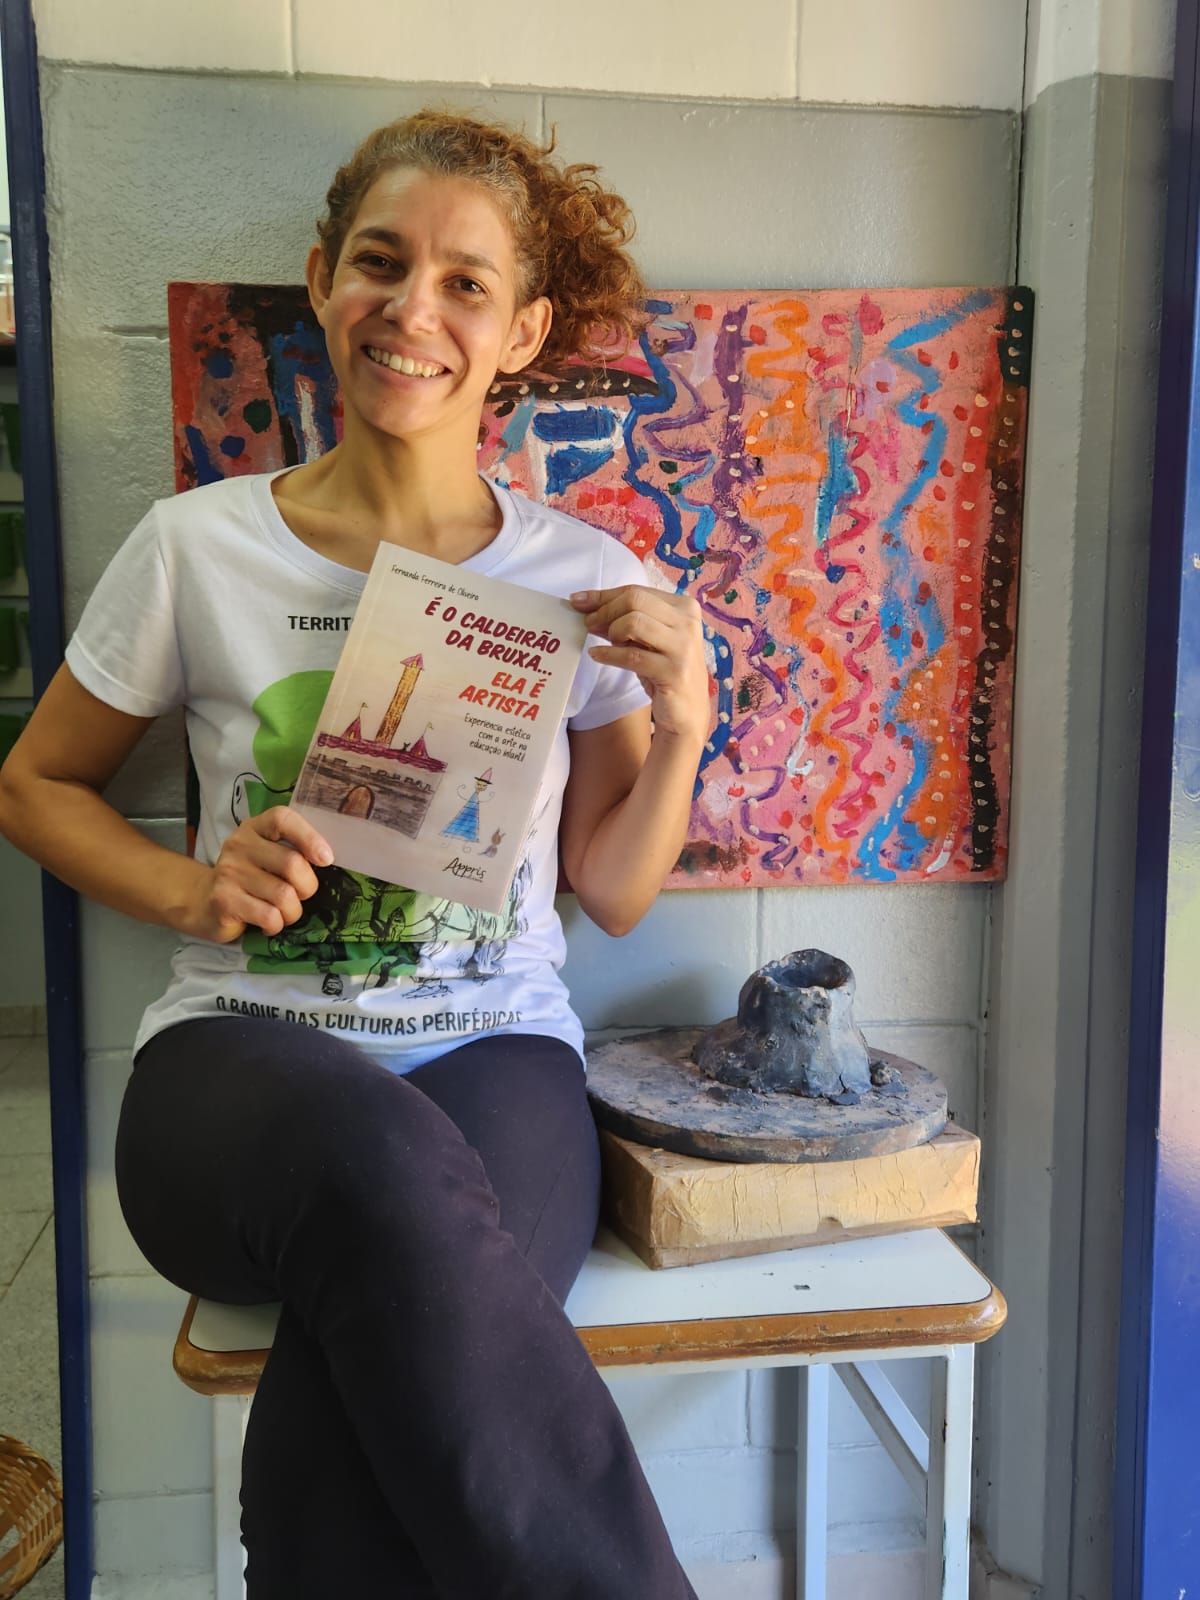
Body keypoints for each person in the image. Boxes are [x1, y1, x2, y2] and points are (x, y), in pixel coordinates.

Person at [0, 111, 710, 1597]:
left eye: (466, 284)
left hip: (497, 1054)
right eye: (381, 264)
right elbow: (36, 785)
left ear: (521, 335)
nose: (413, 309)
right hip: (237, 1067)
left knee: (394, 1337)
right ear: (325, 281)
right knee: (383, 1170)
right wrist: (194, 885)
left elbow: (613, 888)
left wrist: (683, 724)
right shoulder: (196, 546)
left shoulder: (580, 579)